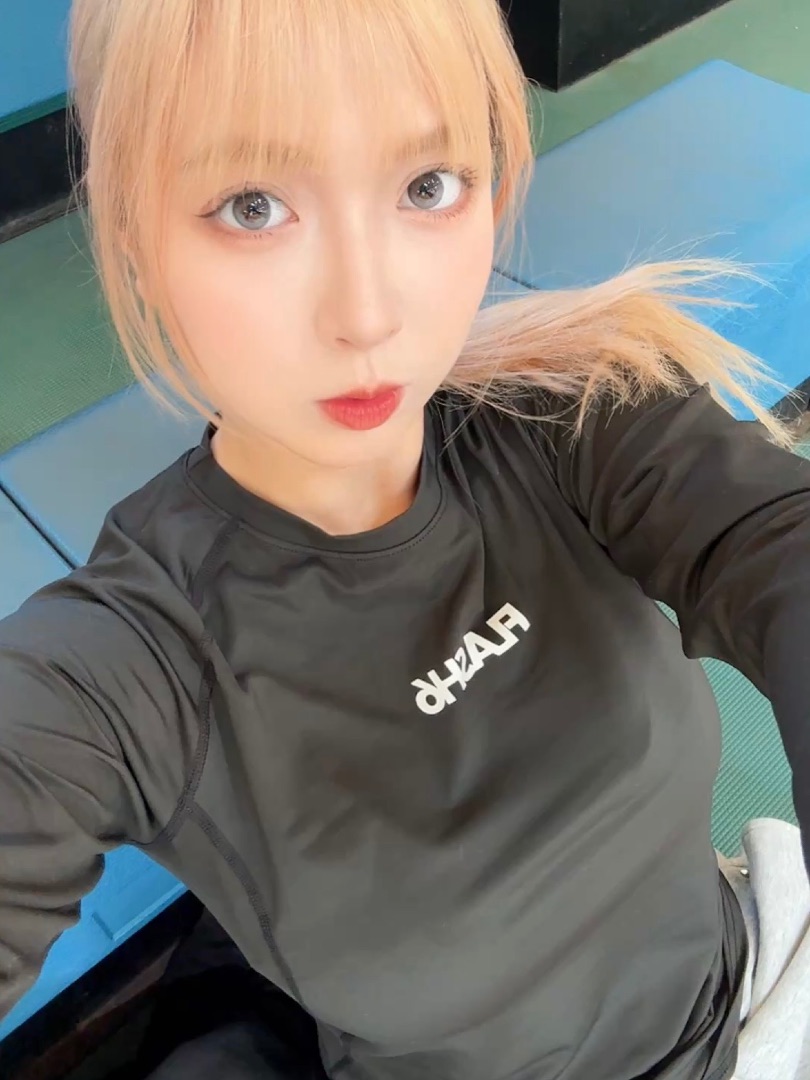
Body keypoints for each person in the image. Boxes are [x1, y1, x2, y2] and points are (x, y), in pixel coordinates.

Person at [0, 0, 809, 1077]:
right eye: (252, 205)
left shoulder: (576, 416)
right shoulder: (125, 660)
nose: (369, 314)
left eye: (428, 186)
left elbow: (778, 543)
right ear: (135, 243)